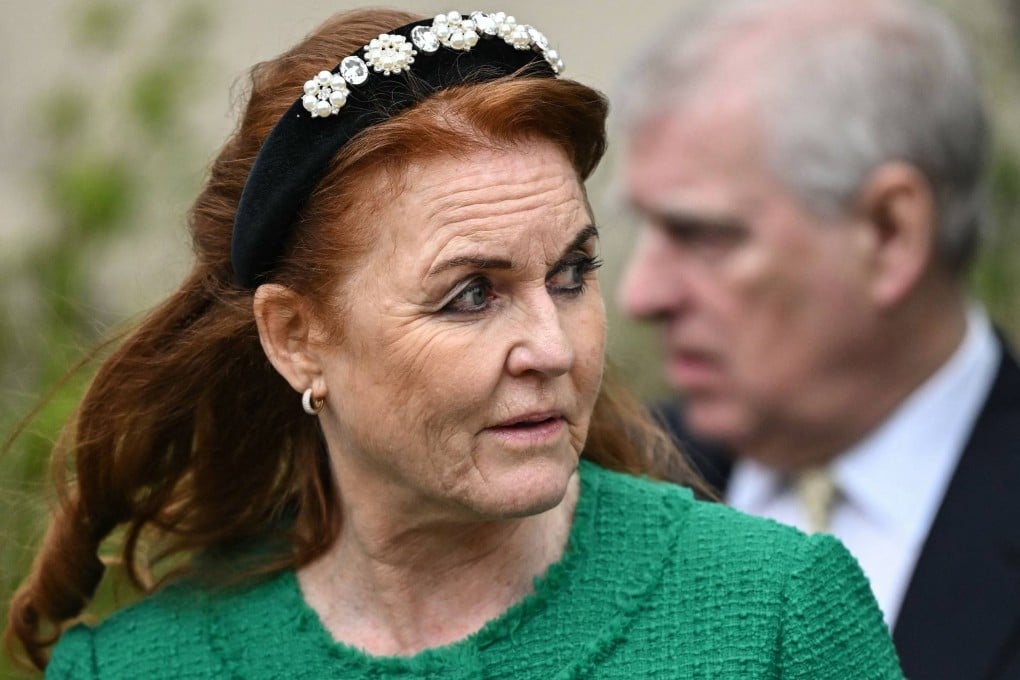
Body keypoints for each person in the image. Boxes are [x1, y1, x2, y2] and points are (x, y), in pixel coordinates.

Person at [4, 8, 903, 679]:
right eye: (472, 295)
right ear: (298, 338)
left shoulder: (773, 614)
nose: (552, 347)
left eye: (572, 274)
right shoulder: (141, 669)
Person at [615, 0, 1020, 678]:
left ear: (890, 233)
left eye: (705, 236)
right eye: (646, 231)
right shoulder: (603, 496)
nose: (641, 294)